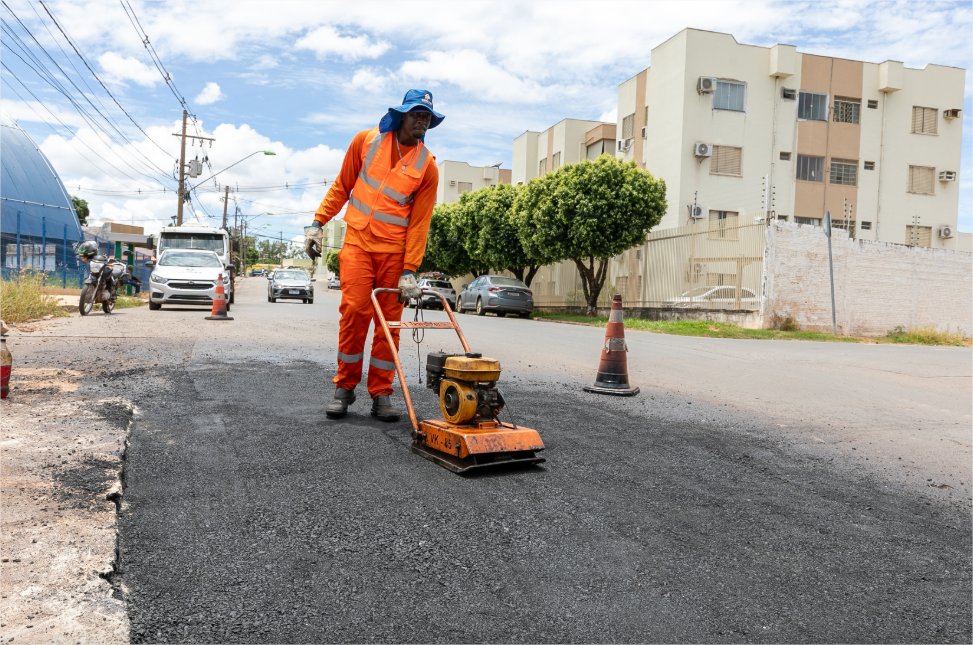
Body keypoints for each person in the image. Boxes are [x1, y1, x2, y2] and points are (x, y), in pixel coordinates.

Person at [305, 89, 443, 421]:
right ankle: (344, 387)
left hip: (395, 254)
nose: (421, 120)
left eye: (426, 116)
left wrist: (410, 268)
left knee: (389, 325)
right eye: (416, 113)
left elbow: (420, 223)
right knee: (354, 313)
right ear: (402, 115)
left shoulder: (428, 168)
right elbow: (342, 185)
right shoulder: (366, 142)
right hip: (358, 244)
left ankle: (381, 393)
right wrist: (318, 222)